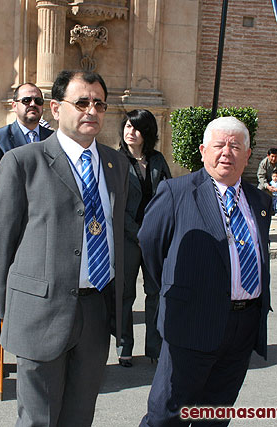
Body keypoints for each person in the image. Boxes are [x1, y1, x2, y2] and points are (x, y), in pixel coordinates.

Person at [0, 70, 128, 426]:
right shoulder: (23, 163)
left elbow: (117, 233)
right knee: (38, 420)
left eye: (99, 103)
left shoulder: (116, 164)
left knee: (79, 417)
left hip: (95, 310)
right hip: (40, 314)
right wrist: (13, 308)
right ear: (56, 109)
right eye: (81, 102)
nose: (91, 110)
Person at [138, 117, 271, 426]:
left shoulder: (259, 200)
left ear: (248, 154)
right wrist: (180, 290)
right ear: (202, 151)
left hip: (243, 324)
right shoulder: (176, 192)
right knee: (167, 415)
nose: (227, 152)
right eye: (219, 145)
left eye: (236, 146)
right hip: (191, 322)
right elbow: (151, 244)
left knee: (215, 414)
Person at [0, 82, 54, 379]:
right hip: (9, 228)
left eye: (37, 100)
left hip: (42, 227)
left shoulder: (53, 138)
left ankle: (35, 349)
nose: (32, 104)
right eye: (26, 100)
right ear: (15, 105)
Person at [117, 109, 171, 368]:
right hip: (127, 239)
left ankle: (155, 346)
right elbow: (113, 205)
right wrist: (137, 233)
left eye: (136, 128)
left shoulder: (158, 160)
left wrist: (156, 231)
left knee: (156, 293)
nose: (130, 132)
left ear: (146, 132)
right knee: (125, 295)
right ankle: (124, 346)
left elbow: (168, 196)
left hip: (154, 239)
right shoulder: (115, 161)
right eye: (127, 126)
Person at [256, 147, 277, 214]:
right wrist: (267, 186)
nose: (274, 159)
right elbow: (261, 176)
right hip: (267, 182)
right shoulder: (263, 163)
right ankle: (257, 207)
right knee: (259, 189)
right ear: (268, 156)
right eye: (272, 156)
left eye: (276, 157)